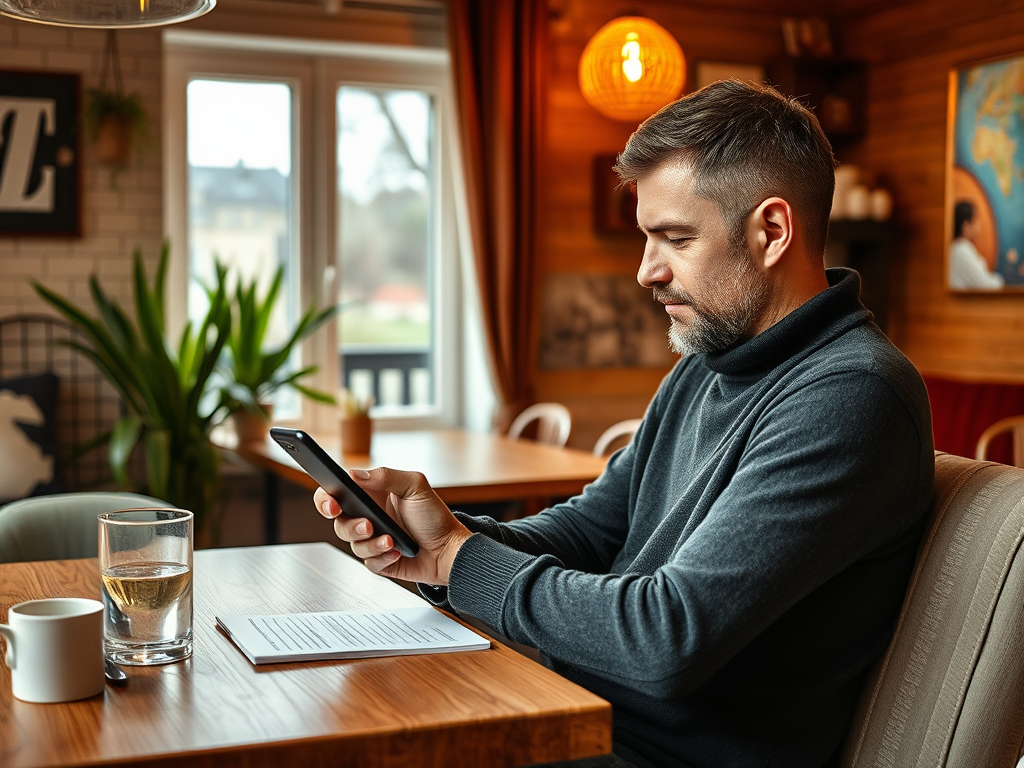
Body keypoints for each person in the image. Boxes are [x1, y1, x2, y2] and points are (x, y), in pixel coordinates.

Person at [314, 81, 935, 768]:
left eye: (675, 238)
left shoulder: (851, 395)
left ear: (772, 231)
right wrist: (443, 539)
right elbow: (592, 529)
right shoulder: (710, 364)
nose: (646, 271)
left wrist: (460, 563)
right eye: (648, 238)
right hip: (577, 715)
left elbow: (663, 638)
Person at [949, 200, 1004, 290]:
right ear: (966, 226)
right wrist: (1001, 281)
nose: (980, 225)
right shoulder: (960, 251)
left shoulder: (961, 248)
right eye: (976, 220)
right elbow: (986, 286)